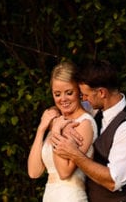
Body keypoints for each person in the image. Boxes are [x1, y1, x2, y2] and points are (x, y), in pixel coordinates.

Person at [49, 60, 126, 202]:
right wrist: (54, 117)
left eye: (85, 95)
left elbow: (113, 181)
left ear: (102, 92)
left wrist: (75, 155)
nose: (83, 99)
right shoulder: (95, 109)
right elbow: (66, 105)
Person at [27, 60, 99, 201]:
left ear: (79, 90)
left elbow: (64, 172)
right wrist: (41, 129)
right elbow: (34, 172)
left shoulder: (84, 123)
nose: (63, 99)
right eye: (57, 94)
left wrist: (55, 131)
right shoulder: (58, 121)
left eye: (69, 92)